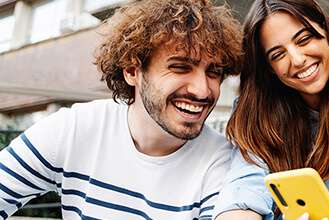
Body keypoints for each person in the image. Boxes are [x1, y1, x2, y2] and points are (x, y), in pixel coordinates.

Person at [0, 0, 243, 218]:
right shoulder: (76, 128)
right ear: (132, 71)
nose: (202, 90)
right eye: (180, 67)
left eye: (214, 73)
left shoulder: (220, 163)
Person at [211, 0, 329, 219]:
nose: (297, 60)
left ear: (326, 32)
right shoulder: (260, 120)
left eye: (304, 39)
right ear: (270, 69)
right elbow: (245, 186)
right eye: (277, 55)